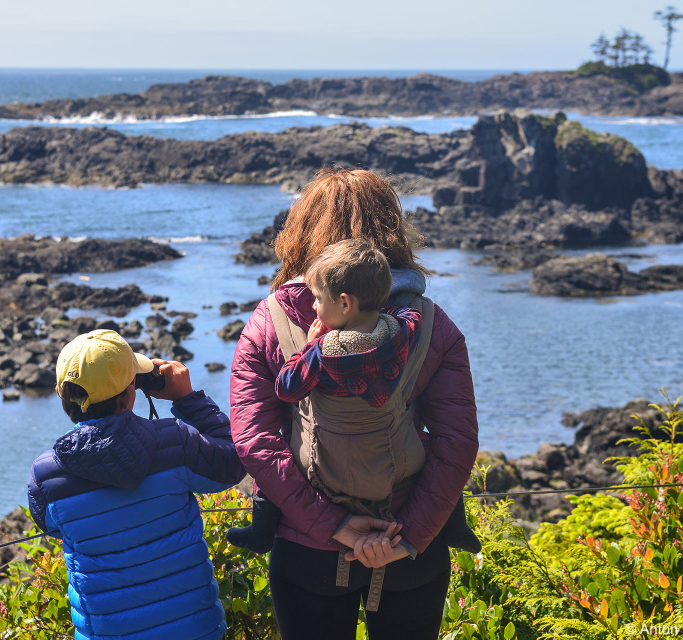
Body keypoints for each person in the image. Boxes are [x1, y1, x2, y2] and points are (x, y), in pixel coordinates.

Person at [230, 168, 479, 640]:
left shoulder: (271, 321)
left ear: (304, 230)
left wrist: (336, 527)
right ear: (392, 228)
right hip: (408, 547)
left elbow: (254, 440)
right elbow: (457, 441)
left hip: (309, 548)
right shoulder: (430, 323)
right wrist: (406, 536)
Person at [226, 238, 480, 557]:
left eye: (317, 298)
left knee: (277, 447)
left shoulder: (322, 352)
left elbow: (281, 396)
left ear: (344, 304)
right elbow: (457, 439)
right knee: (436, 449)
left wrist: (310, 345)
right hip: (400, 518)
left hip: (307, 541)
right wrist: (412, 538)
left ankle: (260, 532)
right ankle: (456, 526)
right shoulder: (405, 329)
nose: (313, 305)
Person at [27, 329, 245, 640]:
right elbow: (233, 462)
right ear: (131, 394)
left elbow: (50, 527)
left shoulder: (46, 478)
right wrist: (188, 399)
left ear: (64, 397)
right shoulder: (176, 442)